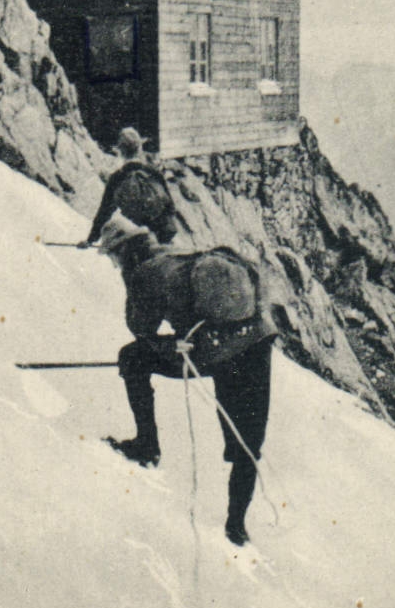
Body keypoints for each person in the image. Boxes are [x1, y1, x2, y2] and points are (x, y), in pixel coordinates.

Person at [95, 217, 279, 546]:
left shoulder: (143, 273)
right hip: (257, 342)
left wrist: (169, 344)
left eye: (112, 257)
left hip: (216, 350)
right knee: (247, 438)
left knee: (132, 357)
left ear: (123, 253)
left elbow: (141, 330)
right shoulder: (177, 254)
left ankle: (146, 446)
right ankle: (236, 526)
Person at [83, 127, 178, 246]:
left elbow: (104, 213)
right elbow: (171, 207)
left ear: (120, 151)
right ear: (139, 148)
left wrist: (90, 240)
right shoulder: (154, 172)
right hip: (164, 236)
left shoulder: (117, 177)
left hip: (143, 239)